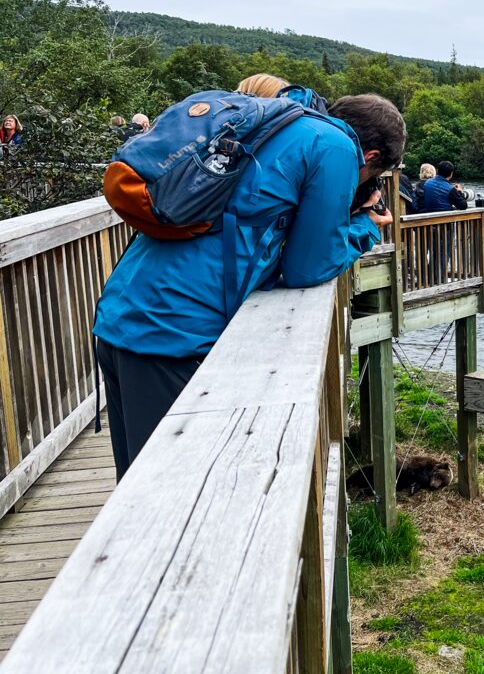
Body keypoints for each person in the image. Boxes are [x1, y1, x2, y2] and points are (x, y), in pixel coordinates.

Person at [93, 93, 405, 478]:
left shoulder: (286, 127)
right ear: (371, 157)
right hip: (171, 331)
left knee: (135, 488)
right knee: (169, 491)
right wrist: (363, 228)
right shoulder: (337, 146)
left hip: (127, 310)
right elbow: (308, 267)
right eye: (372, 176)